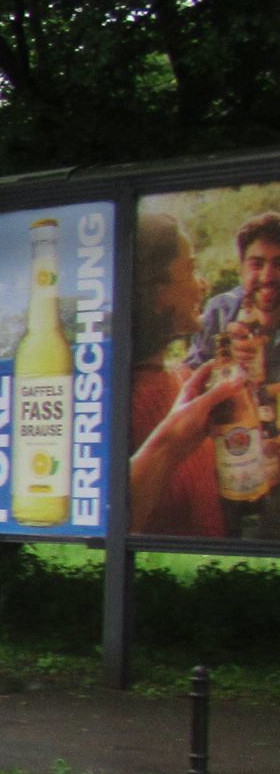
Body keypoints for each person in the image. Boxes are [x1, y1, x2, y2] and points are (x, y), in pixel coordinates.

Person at [130, 212, 251, 534]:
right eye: (191, 268)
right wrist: (170, 443)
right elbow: (101, 524)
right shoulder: (112, 406)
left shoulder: (185, 380)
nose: (203, 283)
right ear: (157, 292)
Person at [183, 210, 280, 366]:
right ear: (241, 270)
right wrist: (225, 363)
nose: (267, 277)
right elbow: (190, 371)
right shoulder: (220, 312)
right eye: (257, 264)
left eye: (278, 264)